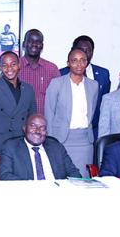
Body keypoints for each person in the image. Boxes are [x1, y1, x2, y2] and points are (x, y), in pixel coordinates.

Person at [44, 47, 100, 177]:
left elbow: (91, 114)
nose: (79, 64)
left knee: (83, 179)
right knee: (62, 178)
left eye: (82, 60)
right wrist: (51, 141)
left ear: (87, 63)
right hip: (61, 139)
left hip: (85, 141)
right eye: (74, 60)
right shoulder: (56, 83)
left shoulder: (93, 85)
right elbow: (49, 112)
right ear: (68, 63)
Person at [0, 51, 36, 180]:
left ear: (19, 65)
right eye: (4, 65)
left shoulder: (28, 89)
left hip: (22, 147)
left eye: (13, 64)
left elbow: (32, 122)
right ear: (0, 67)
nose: (9, 68)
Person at [0, 114, 81, 180]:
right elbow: (5, 176)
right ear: (24, 128)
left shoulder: (56, 147)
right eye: (33, 126)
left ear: (46, 132)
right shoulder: (11, 147)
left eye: (42, 128)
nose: (38, 131)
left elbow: (74, 173)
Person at [60, 35, 111, 137]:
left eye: (88, 50)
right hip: (68, 131)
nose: (84, 53)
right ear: (73, 51)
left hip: (95, 130)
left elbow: (104, 104)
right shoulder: (61, 74)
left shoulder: (103, 74)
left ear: (92, 52)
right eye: (80, 49)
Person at [17, 29, 60, 116]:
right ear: (23, 44)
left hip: (45, 125)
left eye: (38, 42)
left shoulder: (52, 69)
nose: (34, 44)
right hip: (18, 125)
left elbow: (59, 99)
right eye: (30, 41)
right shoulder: (13, 67)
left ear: (42, 46)